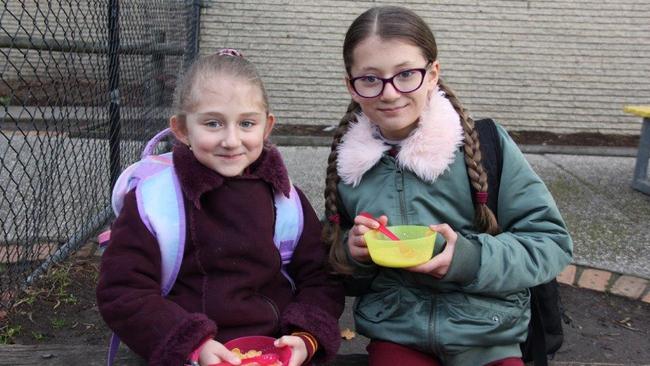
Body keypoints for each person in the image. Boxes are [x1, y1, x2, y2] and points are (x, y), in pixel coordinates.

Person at [322, 6, 573, 366]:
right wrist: (352, 252)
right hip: (397, 334)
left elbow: (550, 243)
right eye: (370, 78)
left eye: (406, 74)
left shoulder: (486, 146)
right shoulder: (349, 166)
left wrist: (468, 260)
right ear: (351, 85)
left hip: (489, 334)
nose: (390, 93)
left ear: (433, 73)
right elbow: (334, 268)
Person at [96, 49, 344, 366]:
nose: (231, 140)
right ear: (182, 129)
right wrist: (192, 345)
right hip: (186, 355)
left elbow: (321, 278)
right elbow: (124, 292)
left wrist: (306, 336)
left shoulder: (287, 200)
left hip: (275, 353)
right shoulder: (155, 202)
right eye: (213, 123)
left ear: (267, 128)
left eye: (246, 123)